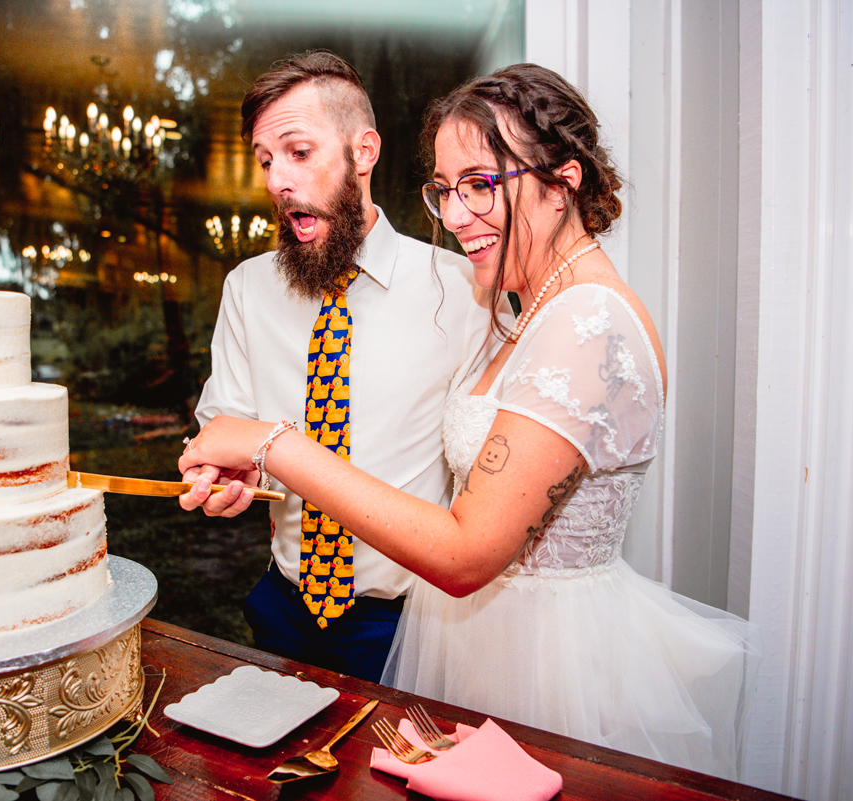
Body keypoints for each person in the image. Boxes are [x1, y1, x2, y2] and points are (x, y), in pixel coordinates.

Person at [180, 63, 759, 780]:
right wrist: (237, 463)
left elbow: (465, 549)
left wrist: (277, 444)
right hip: (457, 641)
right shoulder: (538, 305)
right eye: (447, 190)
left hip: (546, 663)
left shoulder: (578, 318)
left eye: (481, 184)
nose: (455, 217)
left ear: (562, 183)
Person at [179, 51, 506, 683]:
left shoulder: (463, 289)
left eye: (298, 152)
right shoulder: (247, 288)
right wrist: (220, 475)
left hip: (411, 624)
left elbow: (487, 481)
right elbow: (228, 423)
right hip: (281, 605)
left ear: (364, 152)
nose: (277, 180)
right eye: (266, 160)